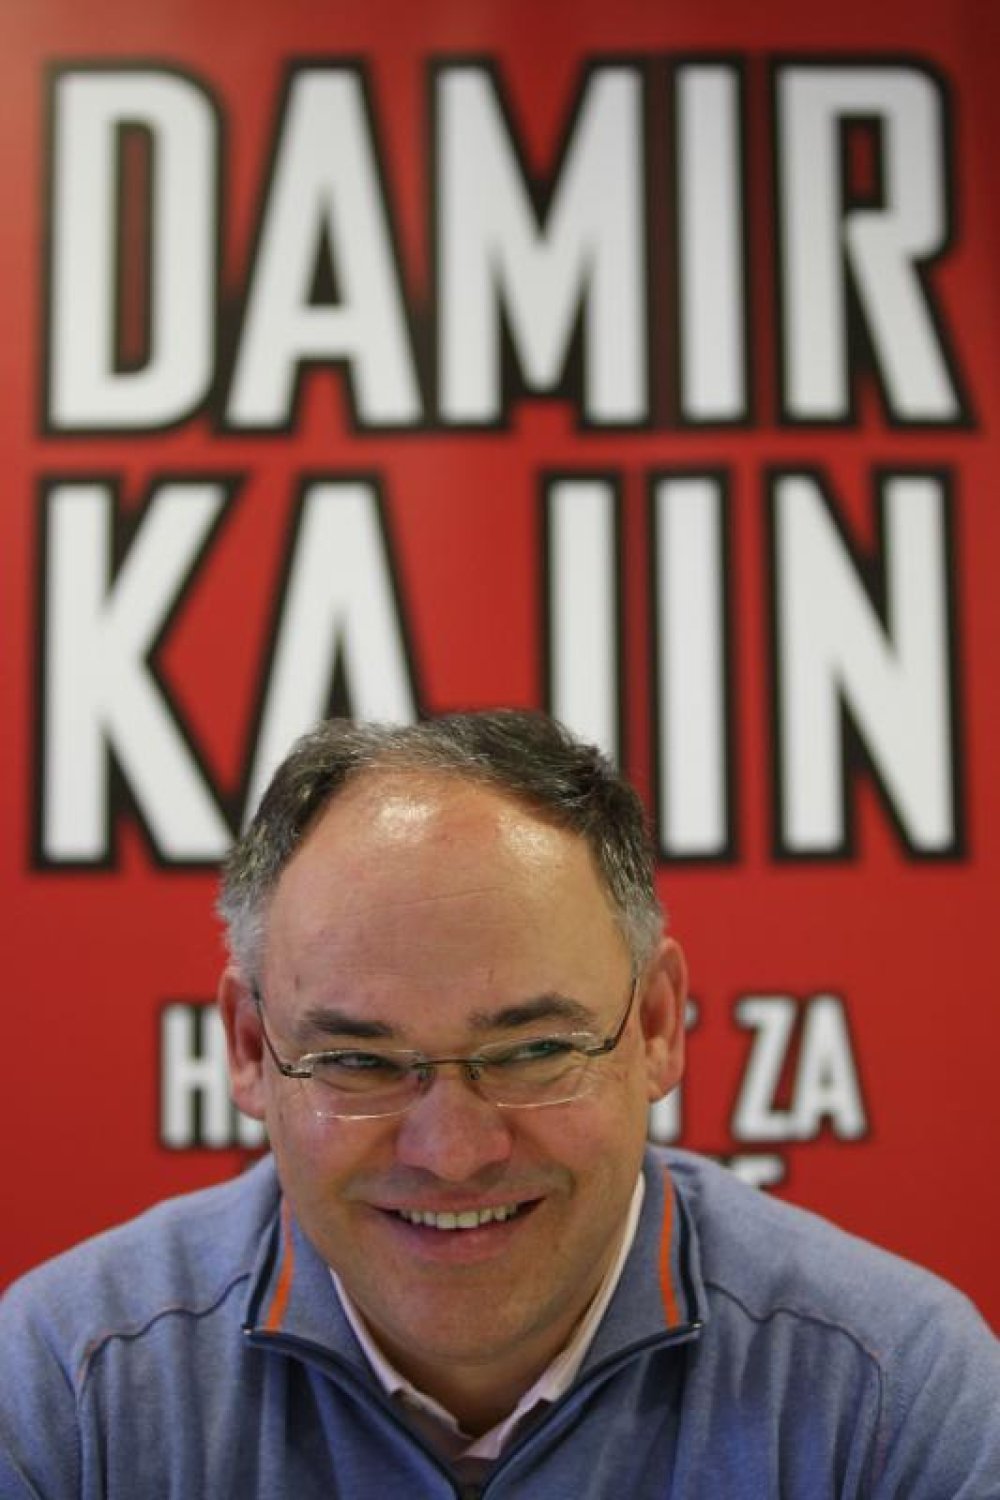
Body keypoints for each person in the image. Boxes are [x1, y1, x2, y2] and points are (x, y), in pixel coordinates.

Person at [1, 711, 997, 1499]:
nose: (453, 1151)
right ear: (252, 1049)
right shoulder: (66, 1392)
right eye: (359, 1061)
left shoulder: (892, 1397)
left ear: (656, 1026)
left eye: (532, 1051)